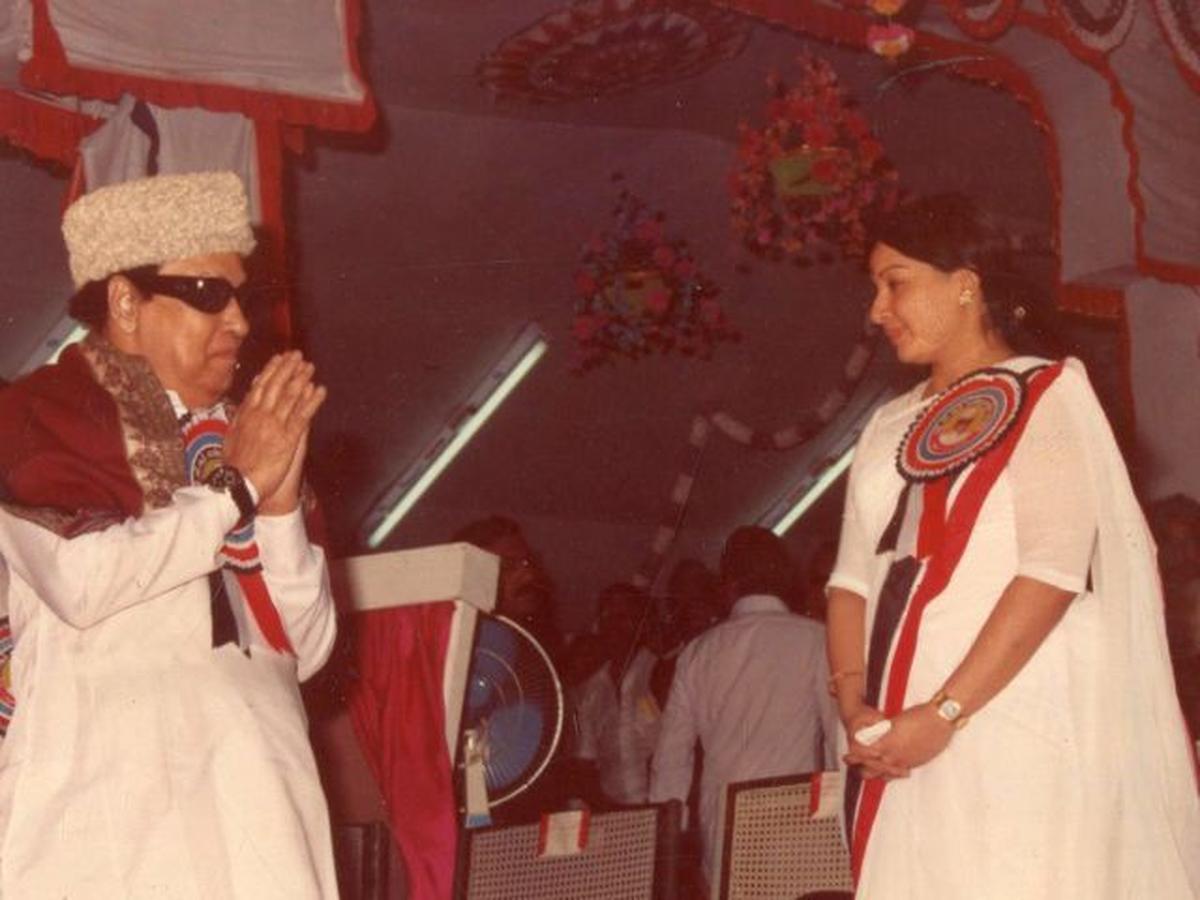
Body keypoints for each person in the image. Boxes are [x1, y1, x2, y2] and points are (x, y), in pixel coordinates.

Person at [825, 193, 1200, 898]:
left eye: (895, 281)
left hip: (1014, 717)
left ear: (965, 283)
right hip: (898, 734)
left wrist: (945, 714)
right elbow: (849, 584)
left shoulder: (1050, 393)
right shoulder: (883, 428)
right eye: (875, 288)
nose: (878, 310)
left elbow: (1052, 571)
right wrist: (855, 709)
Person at [0, 172, 338, 897]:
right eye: (209, 294)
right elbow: (81, 582)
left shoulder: (251, 430)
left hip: (262, 799)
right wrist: (234, 490)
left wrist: (278, 512)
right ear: (126, 301)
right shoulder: (36, 413)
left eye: (243, 297)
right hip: (112, 805)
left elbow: (304, 651)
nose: (241, 324)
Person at [649, 526, 838, 889]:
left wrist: (671, 838)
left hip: (725, 835)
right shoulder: (816, 638)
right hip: (800, 837)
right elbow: (836, 740)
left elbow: (671, 758)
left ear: (728, 581)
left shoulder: (696, 653)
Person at [572, 582, 661, 808]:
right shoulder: (590, 691)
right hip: (614, 816)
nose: (614, 625)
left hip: (662, 808)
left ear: (643, 623)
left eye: (623, 616)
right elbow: (585, 764)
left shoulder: (659, 670)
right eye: (607, 616)